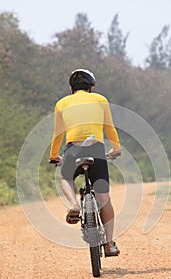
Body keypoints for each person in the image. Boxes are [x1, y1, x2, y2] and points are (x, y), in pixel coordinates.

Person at [49, 69, 121, 256]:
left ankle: (74, 204)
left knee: (66, 177)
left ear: (71, 89)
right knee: (104, 199)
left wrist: (54, 155)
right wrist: (116, 149)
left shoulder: (62, 103)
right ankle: (110, 244)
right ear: (91, 87)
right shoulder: (101, 100)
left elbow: (58, 134)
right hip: (96, 149)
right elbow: (109, 127)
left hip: (73, 149)